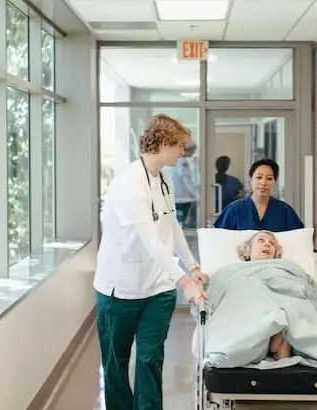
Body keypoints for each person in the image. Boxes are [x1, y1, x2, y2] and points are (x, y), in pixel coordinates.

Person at [94, 113, 209, 410]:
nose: (183, 152)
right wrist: (183, 281)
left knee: (150, 360)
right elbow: (150, 240)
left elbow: (171, 226)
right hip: (119, 288)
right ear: (164, 143)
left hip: (157, 289)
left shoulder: (165, 177)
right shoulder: (130, 184)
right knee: (116, 364)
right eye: (180, 146)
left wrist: (192, 266)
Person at [237, 231, 292, 360]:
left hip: (280, 303)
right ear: (248, 249)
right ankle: (277, 341)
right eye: (261, 240)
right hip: (253, 308)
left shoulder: (286, 270)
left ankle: (281, 340)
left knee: (293, 303)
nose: (267, 244)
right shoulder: (236, 271)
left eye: (271, 243)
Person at [214, 158, 303, 232]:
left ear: (274, 182)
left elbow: (298, 238)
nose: (263, 183)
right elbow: (220, 240)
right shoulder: (234, 209)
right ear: (251, 179)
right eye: (259, 177)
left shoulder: (284, 210)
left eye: (269, 178)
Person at [168, 144, 198, 227]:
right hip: (183, 199)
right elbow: (187, 181)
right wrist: (197, 195)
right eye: (193, 151)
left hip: (175, 198)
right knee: (182, 224)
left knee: (176, 224)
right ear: (187, 150)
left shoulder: (173, 160)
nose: (193, 153)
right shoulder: (182, 161)